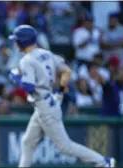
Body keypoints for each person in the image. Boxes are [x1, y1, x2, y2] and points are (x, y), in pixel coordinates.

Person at [8, 25, 115, 168]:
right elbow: (67, 71)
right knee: (27, 141)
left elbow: (29, 87)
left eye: (17, 40)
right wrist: (59, 91)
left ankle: (103, 161)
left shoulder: (26, 60)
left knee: (65, 146)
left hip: (45, 106)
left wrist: (15, 78)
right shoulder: (46, 53)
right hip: (48, 101)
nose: (15, 43)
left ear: (23, 41)